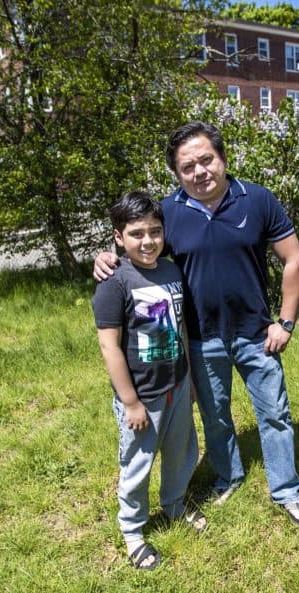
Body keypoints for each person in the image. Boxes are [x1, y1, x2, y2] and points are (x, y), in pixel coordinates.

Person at [94, 121, 299, 527]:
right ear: (177, 174)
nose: (199, 172)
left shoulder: (258, 200)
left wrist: (286, 321)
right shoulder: (169, 213)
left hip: (257, 335)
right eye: (187, 167)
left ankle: (286, 489)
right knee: (215, 417)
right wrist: (105, 257)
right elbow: (140, 250)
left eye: (205, 160)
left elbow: (294, 259)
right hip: (201, 339)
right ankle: (228, 475)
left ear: (223, 157)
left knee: (275, 415)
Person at [92, 191, 207, 571]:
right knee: (137, 464)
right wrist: (130, 402)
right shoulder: (115, 282)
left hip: (176, 386)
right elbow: (109, 347)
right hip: (142, 397)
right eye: (137, 233)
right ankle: (133, 531)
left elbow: (182, 326)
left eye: (155, 232)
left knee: (181, 453)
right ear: (118, 237)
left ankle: (174, 504)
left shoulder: (172, 271)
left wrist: (188, 378)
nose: (148, 241)